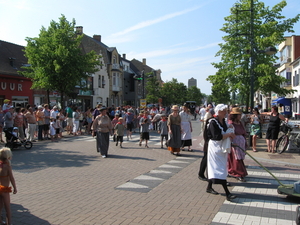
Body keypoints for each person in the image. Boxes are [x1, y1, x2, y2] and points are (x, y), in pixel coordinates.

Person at [206, 104, 237, 201]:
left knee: (218, 167)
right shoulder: (212, 122)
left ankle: (209, 187)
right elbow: (216, 136)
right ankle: (227, 193)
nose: (226, 113)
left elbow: (224, 130)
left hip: (221, 147)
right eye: (224, 111)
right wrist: (229, 134)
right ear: (218, 111)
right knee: (218, 168)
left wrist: (229, 129)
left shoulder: (223, 121)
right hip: (215, 147)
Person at [227, 107, 248, 182]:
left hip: (241, 143)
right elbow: (229, 134)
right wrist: (231, 143)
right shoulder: (231, 124)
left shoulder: (240, 123)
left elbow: (243, 132)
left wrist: (245, 141)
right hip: (235, 143)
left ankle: (236, 172)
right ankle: (238, 173)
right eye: (238, 115)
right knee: (236, 159)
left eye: (240, 114)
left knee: (240, 158)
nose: (240, 116)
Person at [0, 147, 17, 225]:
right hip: (5, 189)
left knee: (0, 206)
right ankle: (9, 223)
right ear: (8, 157)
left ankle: (0, 221)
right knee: (7, 208)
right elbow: (12, 178)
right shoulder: (8, 167)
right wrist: (15, 188)